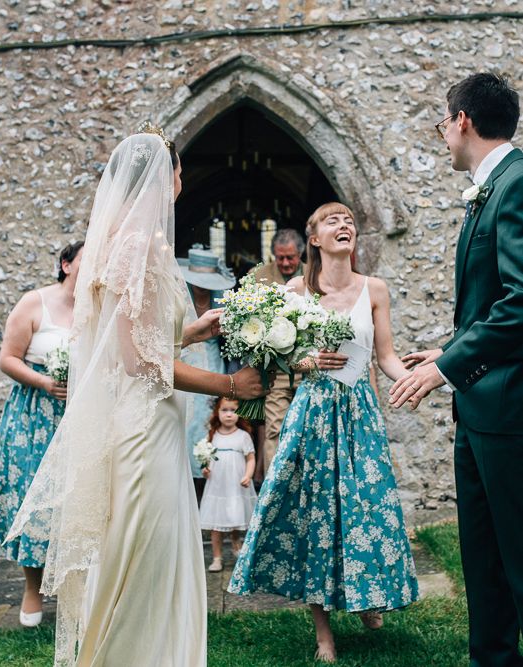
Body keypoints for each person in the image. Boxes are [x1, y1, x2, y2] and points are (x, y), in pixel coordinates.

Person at [7, 129, 270, 667]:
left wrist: (195, 331)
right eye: (177, 172)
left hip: (156, 426)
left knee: (153, 552)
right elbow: (138, 362)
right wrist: (228, 386)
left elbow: (136, 340)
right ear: (162, 176)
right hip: (144, 431)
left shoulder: (130, 244)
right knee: (145, 555)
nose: (180, 182)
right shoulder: (137, 247)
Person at [229, 202, 419, 663]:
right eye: (333, 220)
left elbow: (386, 356)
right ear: (314, 238)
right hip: (313, 411)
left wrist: (414, 378)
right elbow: (283, 357)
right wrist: (309, 361)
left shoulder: (375, 289)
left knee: (366, 508)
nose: (345, 225)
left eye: (350, 220)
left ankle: (367, 595)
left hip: (360, 413)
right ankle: (324, 635)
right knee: (315, 515)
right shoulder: (295, 291)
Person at [390, 72, 523, 667]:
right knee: (485, 560)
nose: (443, 135)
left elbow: (521, 302)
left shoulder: (516, 185)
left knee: (516, 558)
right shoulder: (489, 188)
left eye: (443, 123)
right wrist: (445, 350)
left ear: (462, 119)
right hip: (481, 407)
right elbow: (491, 303)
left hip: (510, 411)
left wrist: (445, 367)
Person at [0, 241, 83, 628]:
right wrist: (43, 381)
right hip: (32, 417)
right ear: (66, 264)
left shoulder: (100, 309)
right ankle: (31, 587)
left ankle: (75, 588)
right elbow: (7, 357)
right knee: (31, 499)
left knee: (77, 500)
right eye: (86, 261)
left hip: (81, 416)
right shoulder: (33, 303)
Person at [178, 246, 236, 502]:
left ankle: (210, 484)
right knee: (189, 417)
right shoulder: (181, 293)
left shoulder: (222, 295)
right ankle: (187, 479)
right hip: (188, 351)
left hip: (213, 358)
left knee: (210, 413)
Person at [251, 228, 304, 479]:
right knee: (275, 428)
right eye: (280, 257)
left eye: (290, 258)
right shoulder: (259, 277)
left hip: (310, 366)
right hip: (277, 370)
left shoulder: (316, 274)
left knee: (308, 429)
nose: (285, 263)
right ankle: (274, 486)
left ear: (300, 255)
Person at [199, 397, 257, 572]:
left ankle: (236, 543)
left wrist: (248, 475)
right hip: (218, 485)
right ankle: (217, 557)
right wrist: (205, 468)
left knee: (235, 516)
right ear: (217, 412)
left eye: (233, 410)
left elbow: (251, 458)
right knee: (216, 521)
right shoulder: (213, 434)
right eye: (225, 410)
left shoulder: (243, 436)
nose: (229, 414)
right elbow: (205, 456)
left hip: (236, 484)